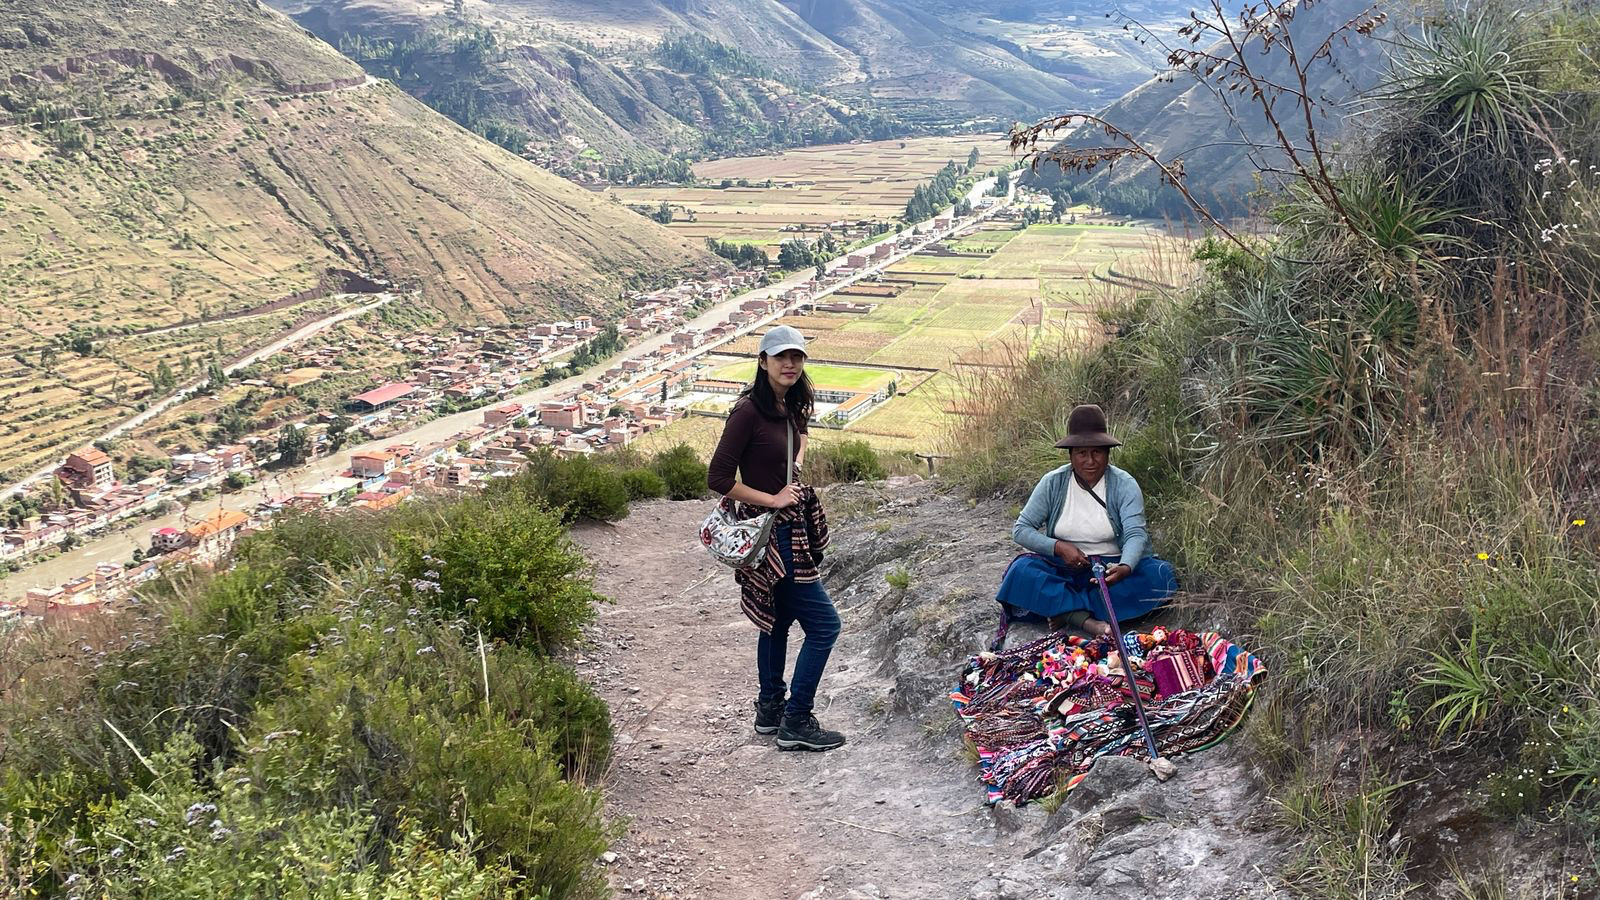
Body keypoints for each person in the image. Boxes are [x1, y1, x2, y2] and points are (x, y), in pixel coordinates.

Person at [706, 325, 845, 752]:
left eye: (797, 357)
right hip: (774, 536)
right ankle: (797, 719)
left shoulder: (793, 405)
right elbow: (718, 478)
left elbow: (798, 442)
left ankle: (770, 710)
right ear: (762, 361)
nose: (790, 364)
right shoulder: (748, 412)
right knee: (824, 626)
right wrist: (773, 497)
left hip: (791, 531)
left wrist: (796, 466)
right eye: (781, 356)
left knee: (778, 621)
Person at [994, 404, 1178, 646]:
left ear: (1108, 453)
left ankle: (1064, 610)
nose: (1090, 461)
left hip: (1111, 570)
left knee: (1162, 576)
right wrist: (1059, 547)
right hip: (1065, 568)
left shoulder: (1124, 484)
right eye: (1081, 453)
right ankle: (1086, 620)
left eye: (1097, 452)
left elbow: (1135, 533)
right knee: (1022, 571)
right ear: (1070, 455)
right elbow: (1022, 529)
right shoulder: (1053, 483)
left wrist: (1125, 566)